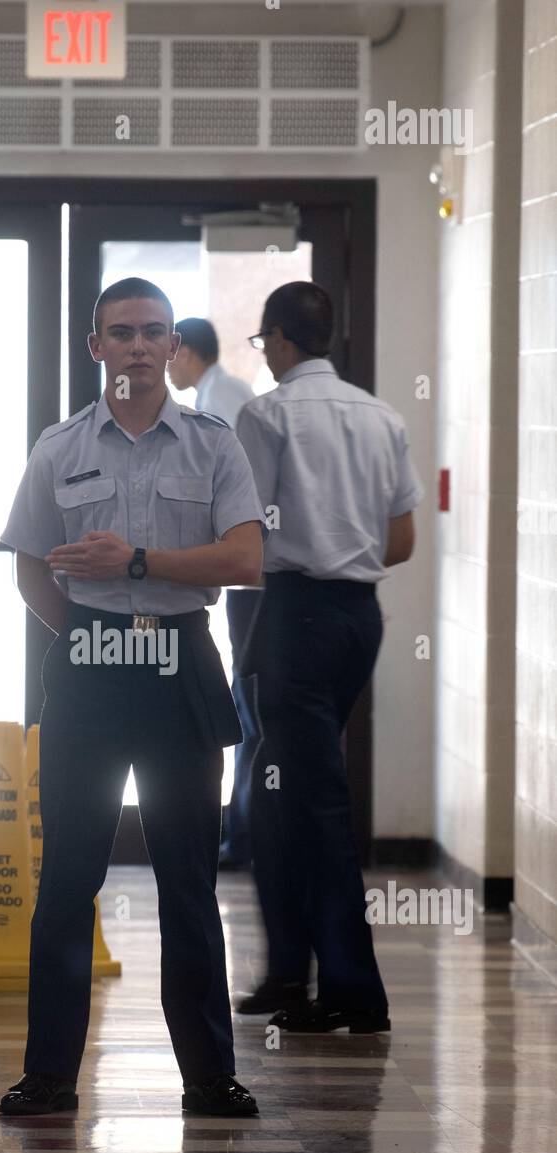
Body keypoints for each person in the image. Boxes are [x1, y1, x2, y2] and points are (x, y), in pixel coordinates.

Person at [0, 277, 265, 1118]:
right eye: (123, 332)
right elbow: (31, 565)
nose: (141, 346)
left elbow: (244, 560)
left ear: (174, 349)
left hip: (178, 665)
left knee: (188, 878)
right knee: (67, 880)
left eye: (156, 332)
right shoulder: (58, 448)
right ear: (96, 348)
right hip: (87, 668)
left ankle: (209, 1076)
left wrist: (138, 565)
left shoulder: (214, 445)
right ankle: (49, 1076)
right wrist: (85, 626)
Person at [235, 281, 424, 1029]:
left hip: (293, 619)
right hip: (356, 619)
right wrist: (345, 543)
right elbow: (403, 540)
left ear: (280, 339)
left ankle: (351, 991)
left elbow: (247, 535)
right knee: (279, 795)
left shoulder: (268, 415)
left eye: (262, 342)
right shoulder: (382, 416)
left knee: (311, 801)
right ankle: (288, 974)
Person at [168, 317, 260, 869]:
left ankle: (244, 836)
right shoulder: (220, 393)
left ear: (186, 353)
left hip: (248, 569)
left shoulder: (221, 402)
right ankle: (243, 833)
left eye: (170, 352)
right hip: (242, 570)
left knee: (246, 704)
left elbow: (220, 489)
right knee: (246, 702)